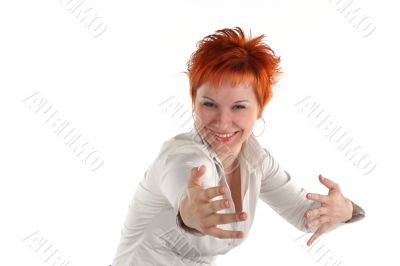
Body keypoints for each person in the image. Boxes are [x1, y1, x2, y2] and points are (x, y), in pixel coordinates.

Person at [111, 27, 365, 266]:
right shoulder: (180, 157)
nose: (222, 122)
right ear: (193, 101)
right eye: (209, 104)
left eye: (239, 107)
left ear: (260, 108)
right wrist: (191, 212)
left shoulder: (256, 161)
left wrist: (345, 210)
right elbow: (186, 193)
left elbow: (305, 215)